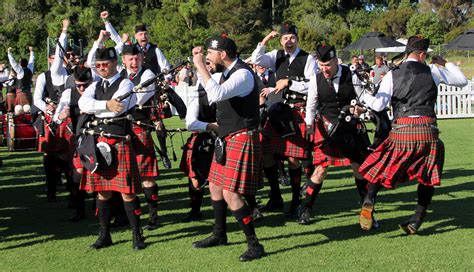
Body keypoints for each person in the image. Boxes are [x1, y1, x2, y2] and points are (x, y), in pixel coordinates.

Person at [358, 36, 468, 234]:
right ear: (423, 54)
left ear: (407, 52)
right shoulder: (433, 71)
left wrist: (364, 96)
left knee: (381, 163)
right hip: (428, 131)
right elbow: (461, 81)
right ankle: (416, 219)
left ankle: (369, 199)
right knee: (427, 176)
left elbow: (379, 105)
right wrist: (445, 63)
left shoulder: (392, 74)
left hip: (403, 130)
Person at [191, 36, 265, 261]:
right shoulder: (226, 72)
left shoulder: (242, 74)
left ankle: (255, 244)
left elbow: (214, 95)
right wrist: (203, 68)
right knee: (214, 186)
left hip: (241, 137)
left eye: (211, 53)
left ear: (222, 55)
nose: (209, 57)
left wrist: (201, 66)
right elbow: (210, 88)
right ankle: (219, 234)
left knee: (230, 193)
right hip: (227, 137)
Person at [78, 46, 145, 250]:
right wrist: (107, 105)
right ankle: (105, 235)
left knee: (127, 193)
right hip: (99, 143)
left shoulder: (125, 83)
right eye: (97, 66)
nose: (101, 69)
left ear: (115, 63)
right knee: (102, 192)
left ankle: (137, 235)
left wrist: (100, 107)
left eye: (104, 65)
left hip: (119, 143)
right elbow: (83, 104)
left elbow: (121, 108)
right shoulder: (94, 85)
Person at [251, 23, 318, 218]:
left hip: (298, 111)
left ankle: (296, 200)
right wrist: (264, 41)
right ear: (281, 40)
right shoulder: (275, 56)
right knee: (267, 154)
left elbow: (313, 85)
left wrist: (290, 83)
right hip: (277, 111)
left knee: (293, 158)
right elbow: (256, 59)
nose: (289, 41)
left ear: (297, 39)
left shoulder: (308, 59)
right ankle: (276, 197)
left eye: (292, 37)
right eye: (285, 38)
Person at [302, 44, 372, 225]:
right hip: (328, 129)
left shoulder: (351, 75)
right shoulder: (316, 79)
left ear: (335, 61)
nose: (324, 69)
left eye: (327, 65)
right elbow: (311, 105)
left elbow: (364, 99)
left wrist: (360, 109)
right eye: (321, 65)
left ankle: (367, 207)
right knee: (321, 169)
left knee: (359, 168)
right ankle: (306, 209)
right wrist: (309, 124)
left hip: (350, 128)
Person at [33, 19, 73, 202]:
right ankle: (51, 188)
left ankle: (72, 190)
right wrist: (47, 108)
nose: (67, 57)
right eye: (56, 57)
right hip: (49, 120)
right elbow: (36, 99)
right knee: (50, 156)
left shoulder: (71, 75)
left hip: (68, 119)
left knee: (69, 154)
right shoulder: (46, 75)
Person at [53, 65, 94, 221]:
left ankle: (101, 207)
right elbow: (57, 118)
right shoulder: (68, 94)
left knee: (98, 173)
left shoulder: (97, 90)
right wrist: (63, 114)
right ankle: (79, 211)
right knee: (77, 174)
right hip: (79, 139)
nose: (82, 88)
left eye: (85, 85)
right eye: (79, 85)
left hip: (96, 137)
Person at [180, 61, 219, 222]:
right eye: (204, 65)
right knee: (196, 179)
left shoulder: (226, 86)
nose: (207, 68)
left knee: (226, 180)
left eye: (210, 65)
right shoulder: (198, 93)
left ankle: (251, 208)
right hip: (203, 138)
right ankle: (195, 211)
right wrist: (212, 126)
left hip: (226, 138)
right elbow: (190, 123)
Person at [134, 23, 173, 169]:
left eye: (145, 34)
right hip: (137, 92)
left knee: (159, 124)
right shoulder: (132, 51)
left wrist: (166, 80)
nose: (143, 37)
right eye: (140, 34)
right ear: (136, 36)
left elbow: (166, 67)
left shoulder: (155, 49)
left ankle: (164, 154)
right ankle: (141, 155)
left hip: (154, 92)